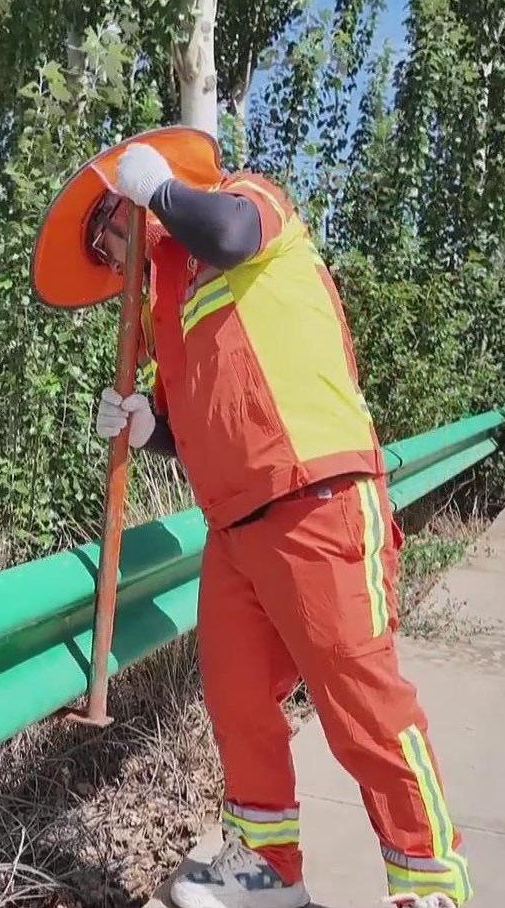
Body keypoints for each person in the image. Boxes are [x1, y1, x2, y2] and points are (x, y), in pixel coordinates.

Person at [88, 140, 471, 908]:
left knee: (360, 700)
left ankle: (430, 879)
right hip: (235, 526)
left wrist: (162, 191)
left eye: (107, 231)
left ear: (139, 202)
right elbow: (199, 422)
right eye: (101, 250)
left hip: (317, 491)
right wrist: (147, 428)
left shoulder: (247, 199)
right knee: (237, 699)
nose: (108, 254)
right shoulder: (169, 306)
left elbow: (231, 233)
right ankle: (267, 869)